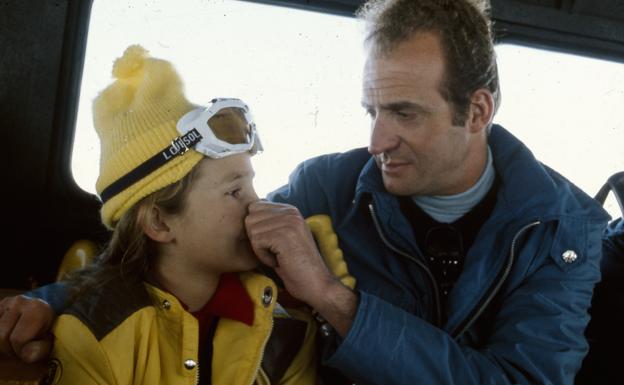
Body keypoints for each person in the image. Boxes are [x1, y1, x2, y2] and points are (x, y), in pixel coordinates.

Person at [0, 1, 611, 384]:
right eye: (370, 109)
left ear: (477, 110)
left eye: (403, 113)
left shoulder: (565, 229)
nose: (376, 141)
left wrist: (331, 298)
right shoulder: (330, 185)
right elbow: (186, 250)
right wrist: (54, 301)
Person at [0, 45, 318, 384]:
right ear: (159, 222)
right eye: (234, 192)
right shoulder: (94, 332)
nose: (258, 205)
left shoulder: (287, 329)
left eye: (253, 187)